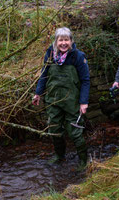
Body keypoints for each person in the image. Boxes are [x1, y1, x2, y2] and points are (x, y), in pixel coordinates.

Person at [32, 27, 90, 170]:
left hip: (72, 102)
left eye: (66, 40)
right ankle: (60, 156)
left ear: (71, 41)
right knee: (54, 130)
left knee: (75, 133)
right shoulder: (50, 55)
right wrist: (38, 93)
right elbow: (44, 75)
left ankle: (84, 161)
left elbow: (85, 81)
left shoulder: (78, 56)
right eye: (61, 40)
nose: (63, 43)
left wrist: (83, 102)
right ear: (56, 41)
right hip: (53, 101)